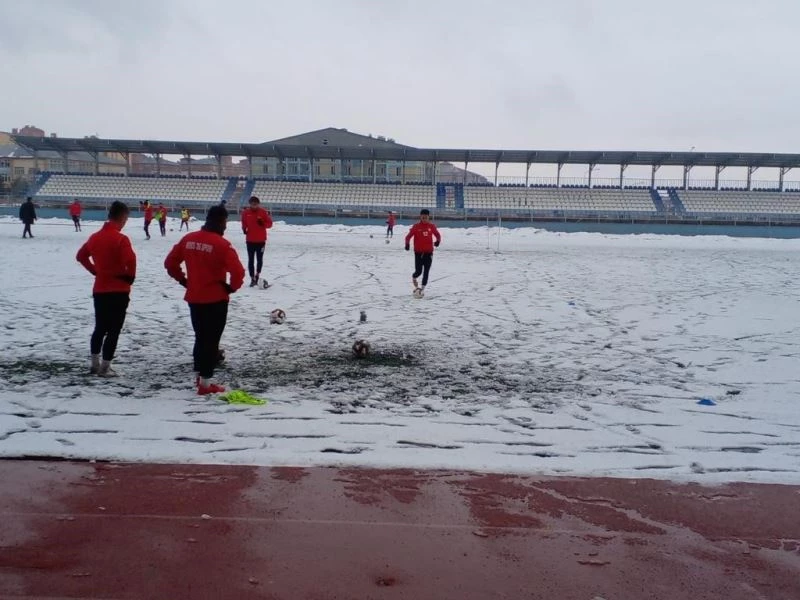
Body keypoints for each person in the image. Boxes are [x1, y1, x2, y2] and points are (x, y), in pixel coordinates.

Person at [164, 205, 245, 395]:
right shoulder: (221, 244)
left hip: (195, 297)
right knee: (211, 340)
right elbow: (238, 272)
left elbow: (170, 263)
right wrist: (231, 287)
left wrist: (184, 280)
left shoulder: (189, 239)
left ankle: (200, 377)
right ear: (221, 221)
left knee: (200, 337)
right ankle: (206, 384)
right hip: (215, 298)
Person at [76, 201, 136, 377]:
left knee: (100, 327)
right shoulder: (120, 239)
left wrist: (95, 271)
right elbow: (130, 260)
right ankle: (105, 367)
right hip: (118, 290)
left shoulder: (95, 237)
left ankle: (94, 363)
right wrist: (129, 277)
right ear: (123, 217)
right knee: (114, 329)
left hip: (100, 289)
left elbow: (81, 256)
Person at [404, 208, 441, 293]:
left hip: (429, 253)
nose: (424, 219)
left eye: (426, 217)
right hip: (418, 253)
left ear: (429, 217)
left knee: (426, 271)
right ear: (420, 217)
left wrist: (438, 241)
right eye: (422, 217)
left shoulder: (432, 226)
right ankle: (414, 277)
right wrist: (407, 244)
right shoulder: (416, 227)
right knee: (418, 271)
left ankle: (422, 289)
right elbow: (408, 236)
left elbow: (438, 235)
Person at [240, 196, 273, 287]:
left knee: (259, 259)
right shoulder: (246, 213)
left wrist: (263, 224)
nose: (254, 206)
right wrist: (244, 229)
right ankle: (252, 278)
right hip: (250, 240)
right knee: (251, 259)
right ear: (250, 204)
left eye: (256, 204)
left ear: (258, 204)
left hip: (261, 241)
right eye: (252, 204)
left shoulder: (263, 212)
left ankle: (257, 275)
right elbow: (243, 222)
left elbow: (270, 224)